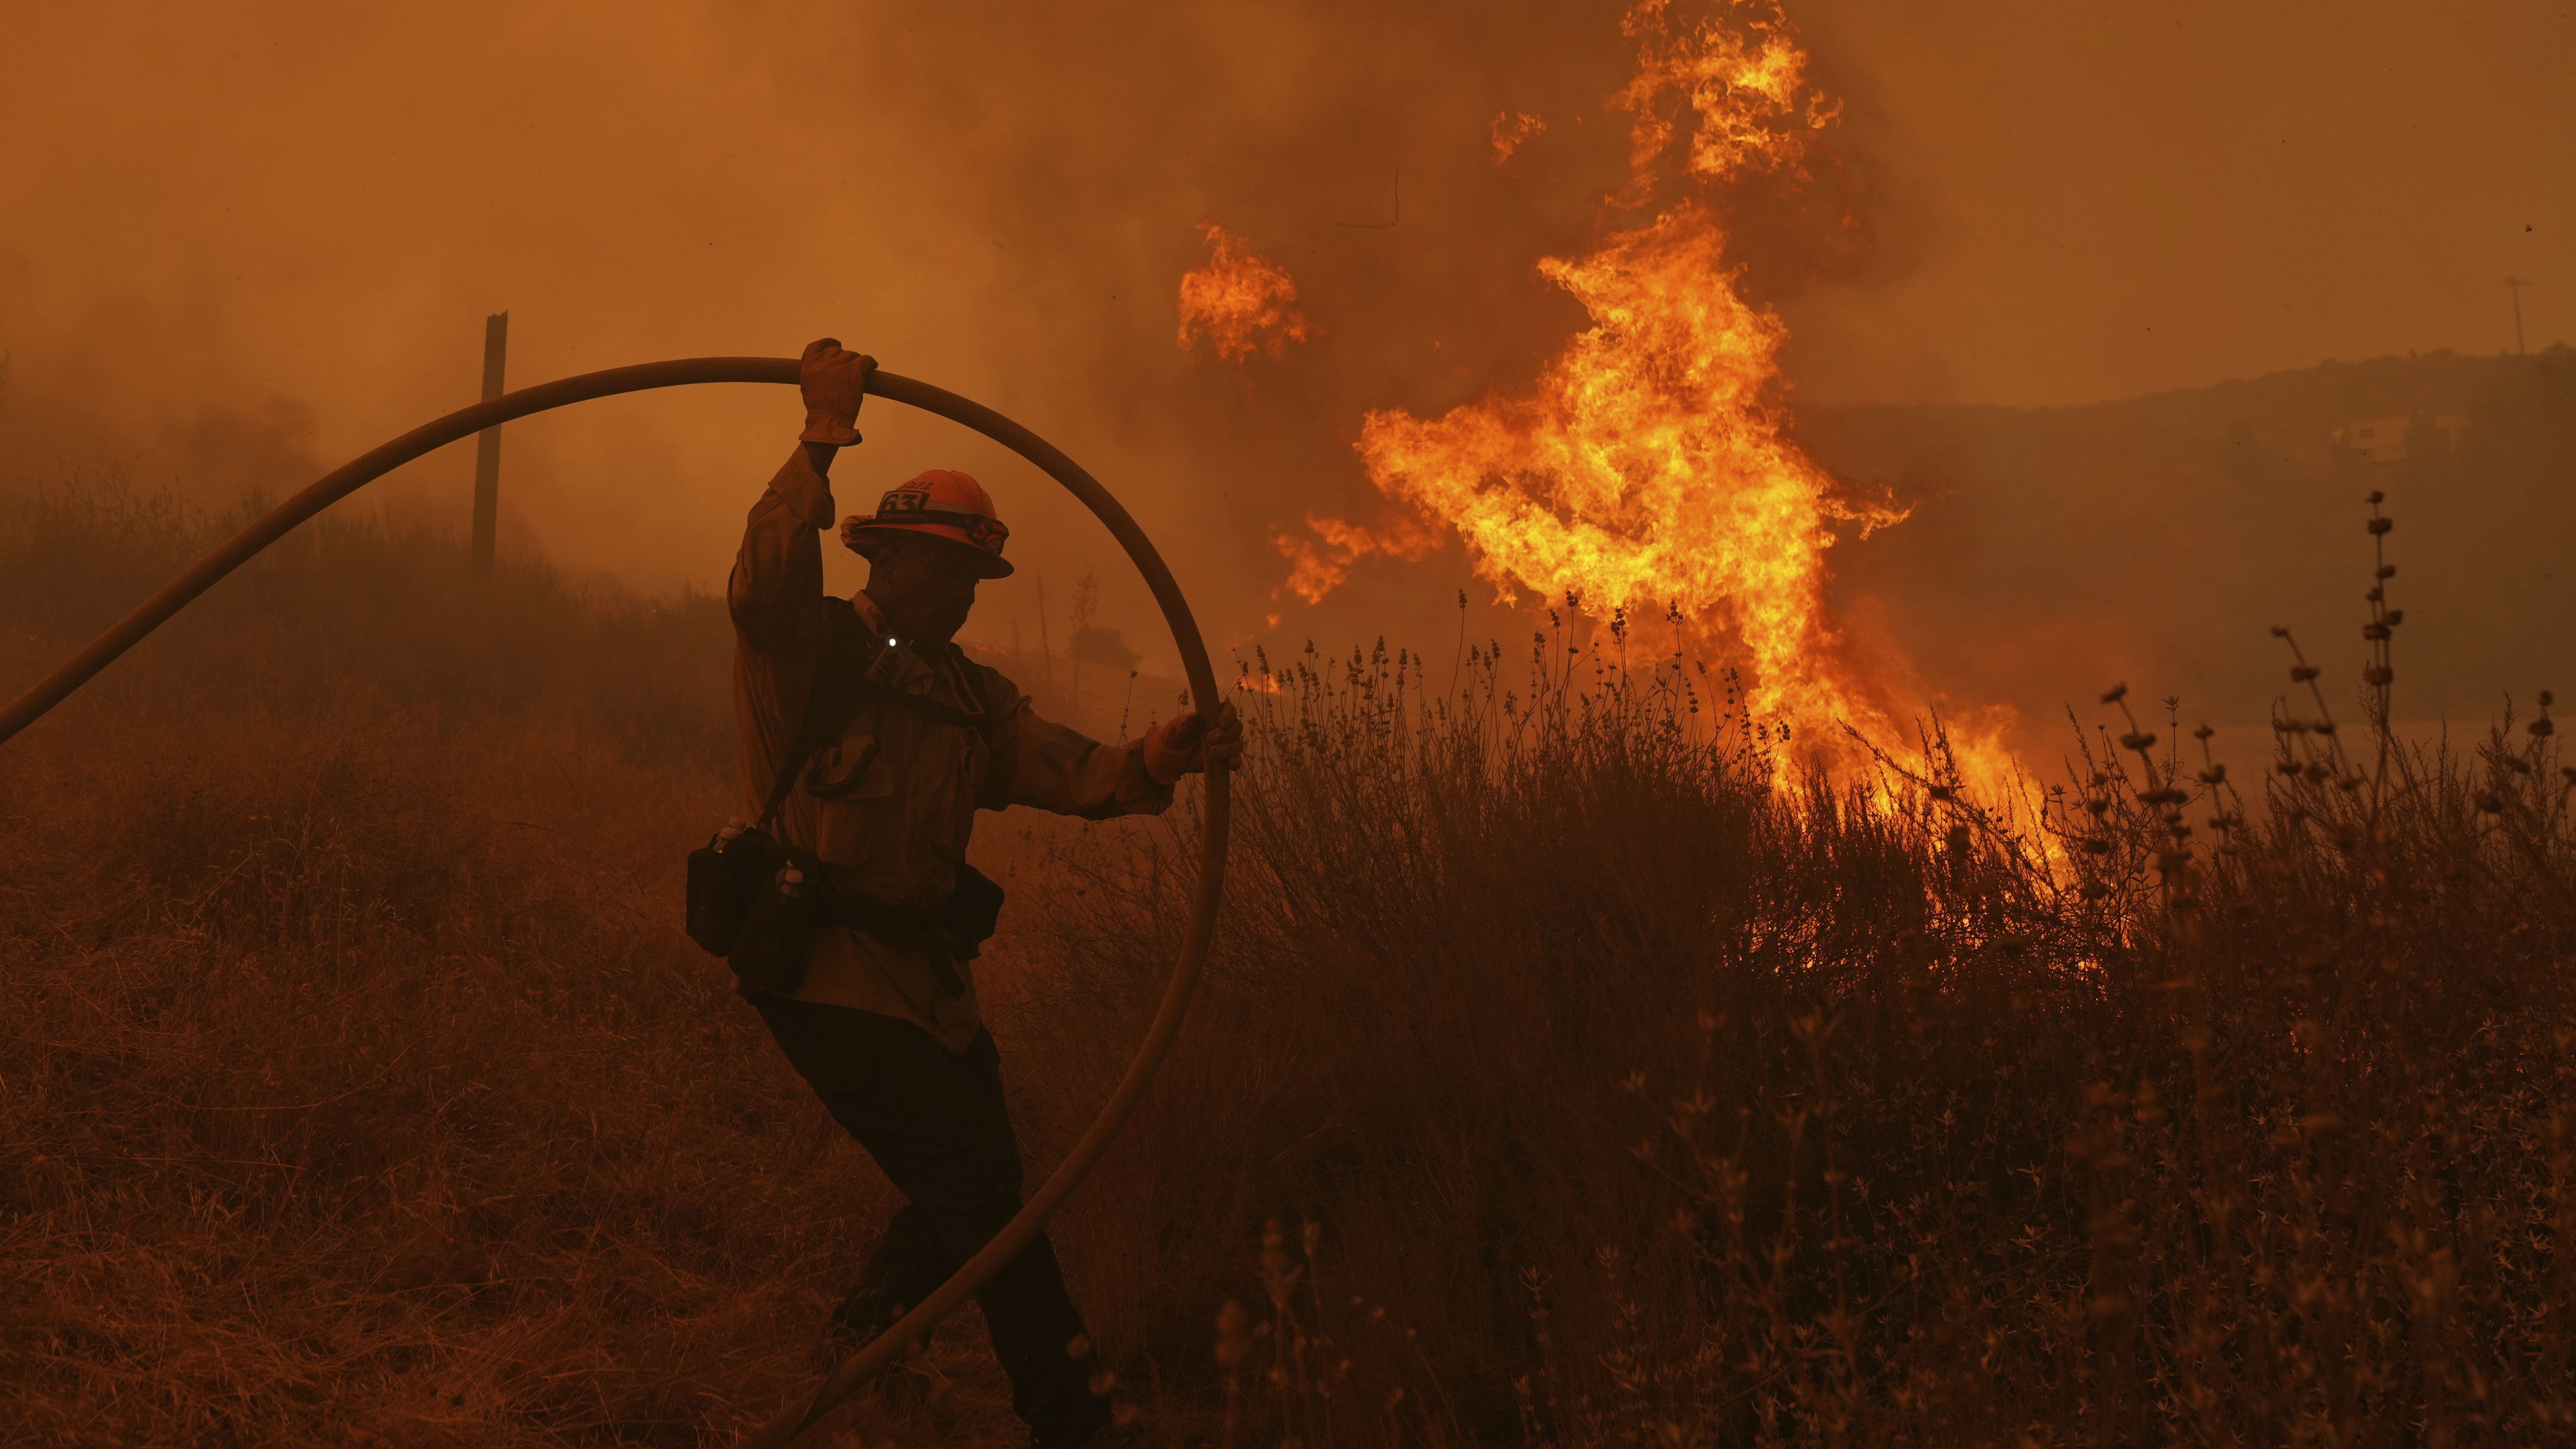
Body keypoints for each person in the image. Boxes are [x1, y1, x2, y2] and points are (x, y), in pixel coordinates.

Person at [727, 337, 1241, 1449]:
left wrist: (1169, 747)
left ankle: (858, 1343)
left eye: (970, 579)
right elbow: (764, 574)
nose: (956, 594)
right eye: (939, 570)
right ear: (884, 556)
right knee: (979, 1182)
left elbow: (1083, 773)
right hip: (824, 973)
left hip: (930, 987)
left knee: (973, 1168)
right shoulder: (806, 651)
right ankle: (1077, 1418)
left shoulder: (971, 698)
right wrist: (821, 439)